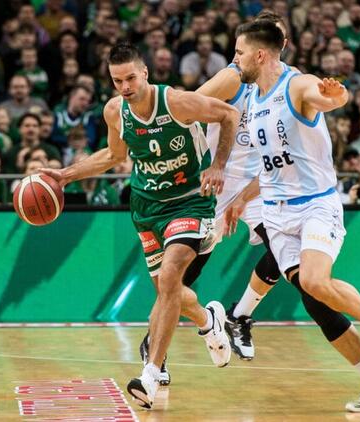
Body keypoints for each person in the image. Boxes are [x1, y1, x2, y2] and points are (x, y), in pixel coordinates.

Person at [40, 42, 239, 410]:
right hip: (147, 207)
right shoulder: (115, 111)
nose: (125, 86)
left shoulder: (176, 102)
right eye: (118, 81)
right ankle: (209, 320)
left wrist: (219, 165)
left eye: (131, 78)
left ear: (145, 73)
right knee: (169, 292)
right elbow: (113, 155)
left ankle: (151, 373)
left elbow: (229, 114)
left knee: (171, 276)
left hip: (190, 200)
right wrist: (66, 175)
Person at [232, 20, 360, 412]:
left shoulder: (296, 84)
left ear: (260, 55)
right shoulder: (252, 96)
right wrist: (241, 198)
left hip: (315, 203)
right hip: (276, 213)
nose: (235, 60)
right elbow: (269, 165)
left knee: (316, 280)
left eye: (239, 53)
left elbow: (330, 97)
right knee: (314, 297)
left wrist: (336, 96)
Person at [192, 9, 296, 363]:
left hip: (255, 187)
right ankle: (155, 349)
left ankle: (239, 316)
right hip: (213, 183)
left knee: (283, 253)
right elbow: (185, 109)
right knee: (186, 272)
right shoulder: (232, 77)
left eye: (277, 37)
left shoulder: (286, 85)